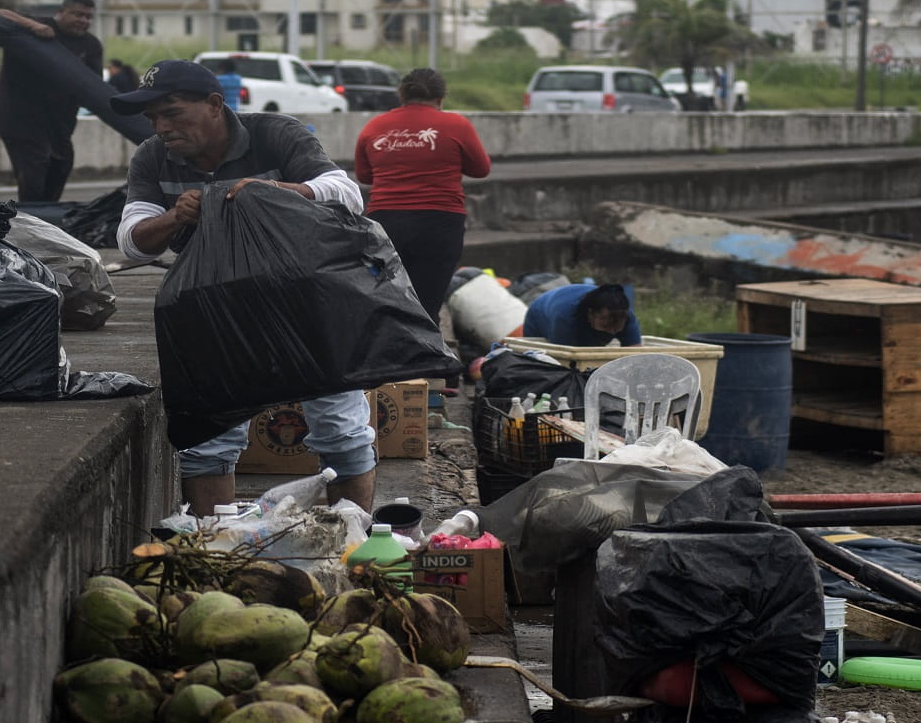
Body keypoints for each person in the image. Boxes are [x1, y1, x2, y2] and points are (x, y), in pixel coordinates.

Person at [112, 60, 375, 515]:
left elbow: (346, 193)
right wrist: (176, 216)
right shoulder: (153, 155)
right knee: (210, 437)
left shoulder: (276, 133)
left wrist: (274, 192)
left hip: (305, 301)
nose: (162, 128)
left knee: (339, 429)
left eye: (172, 113)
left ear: (214, 105)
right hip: (214, 310)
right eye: (153, 118)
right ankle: (219, 546)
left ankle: (356, 539)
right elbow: (130, 242)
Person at [353, 67, 491, 326]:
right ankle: (423, 358)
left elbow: (364, 175)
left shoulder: (375, 126)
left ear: (401, 95)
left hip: (385, 222)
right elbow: (481, 169)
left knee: (387, 295)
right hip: (439, 223)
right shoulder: (457, 125)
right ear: (441, 98)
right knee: (428, 300)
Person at [0, 0, 103, 203]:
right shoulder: (34, 27)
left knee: (60, 168)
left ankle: (44, 220)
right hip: (20, 119)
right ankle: (29, 223)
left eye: (88, 17)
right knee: (34, 173)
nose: (83, 21)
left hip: (59, 125)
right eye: (78, 14)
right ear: (61, 12)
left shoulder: (91, 46)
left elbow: (95, 87)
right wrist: (32, 27)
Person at [521, 282, 642, 348]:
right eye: (606, 325)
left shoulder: (626, 317)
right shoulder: (565, 317)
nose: (611, 332)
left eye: (616, 328)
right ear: (591, 314)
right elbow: (562, 358)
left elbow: (634, 355)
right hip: (540, 314)